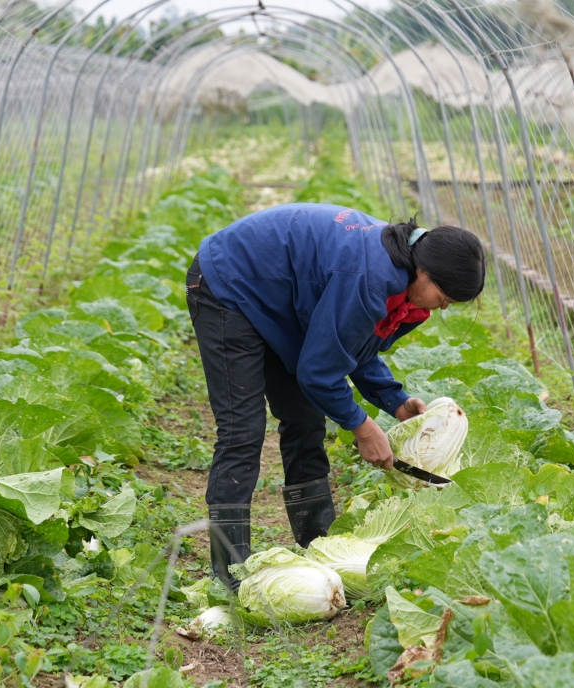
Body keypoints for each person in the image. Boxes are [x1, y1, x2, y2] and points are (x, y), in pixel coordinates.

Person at [186, 202, 485, 590]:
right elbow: (319, 372)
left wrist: (394, 400)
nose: (444, 306)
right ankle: (230, 571)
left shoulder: (402, 279)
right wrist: (363, 428)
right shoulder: (368, 277)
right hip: (230, 284)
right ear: (424, 270)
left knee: (306, 418)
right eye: (445, 296)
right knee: (242, 428)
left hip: (283, 303)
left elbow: (351, 346)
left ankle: (317, 540)